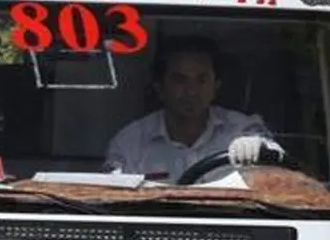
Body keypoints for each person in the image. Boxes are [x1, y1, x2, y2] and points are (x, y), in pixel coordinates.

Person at [104, 35, 284, 183]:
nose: (191, 91)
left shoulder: (243, 130)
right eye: (179, 80)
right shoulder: (130, 143)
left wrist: (261, 151)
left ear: (216, 86)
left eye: (202, 80)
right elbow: (112, 195)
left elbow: (280, 167)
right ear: (160, 88)